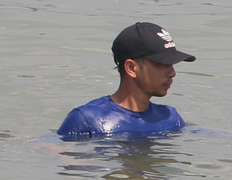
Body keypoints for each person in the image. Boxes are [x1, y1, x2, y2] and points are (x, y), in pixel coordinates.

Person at [57, 22, 197, 139]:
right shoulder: (87, 120)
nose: (172, 73)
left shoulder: (170, 118)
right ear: (131, 68)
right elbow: (54, 151)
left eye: (172, 65)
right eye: (162, 64)